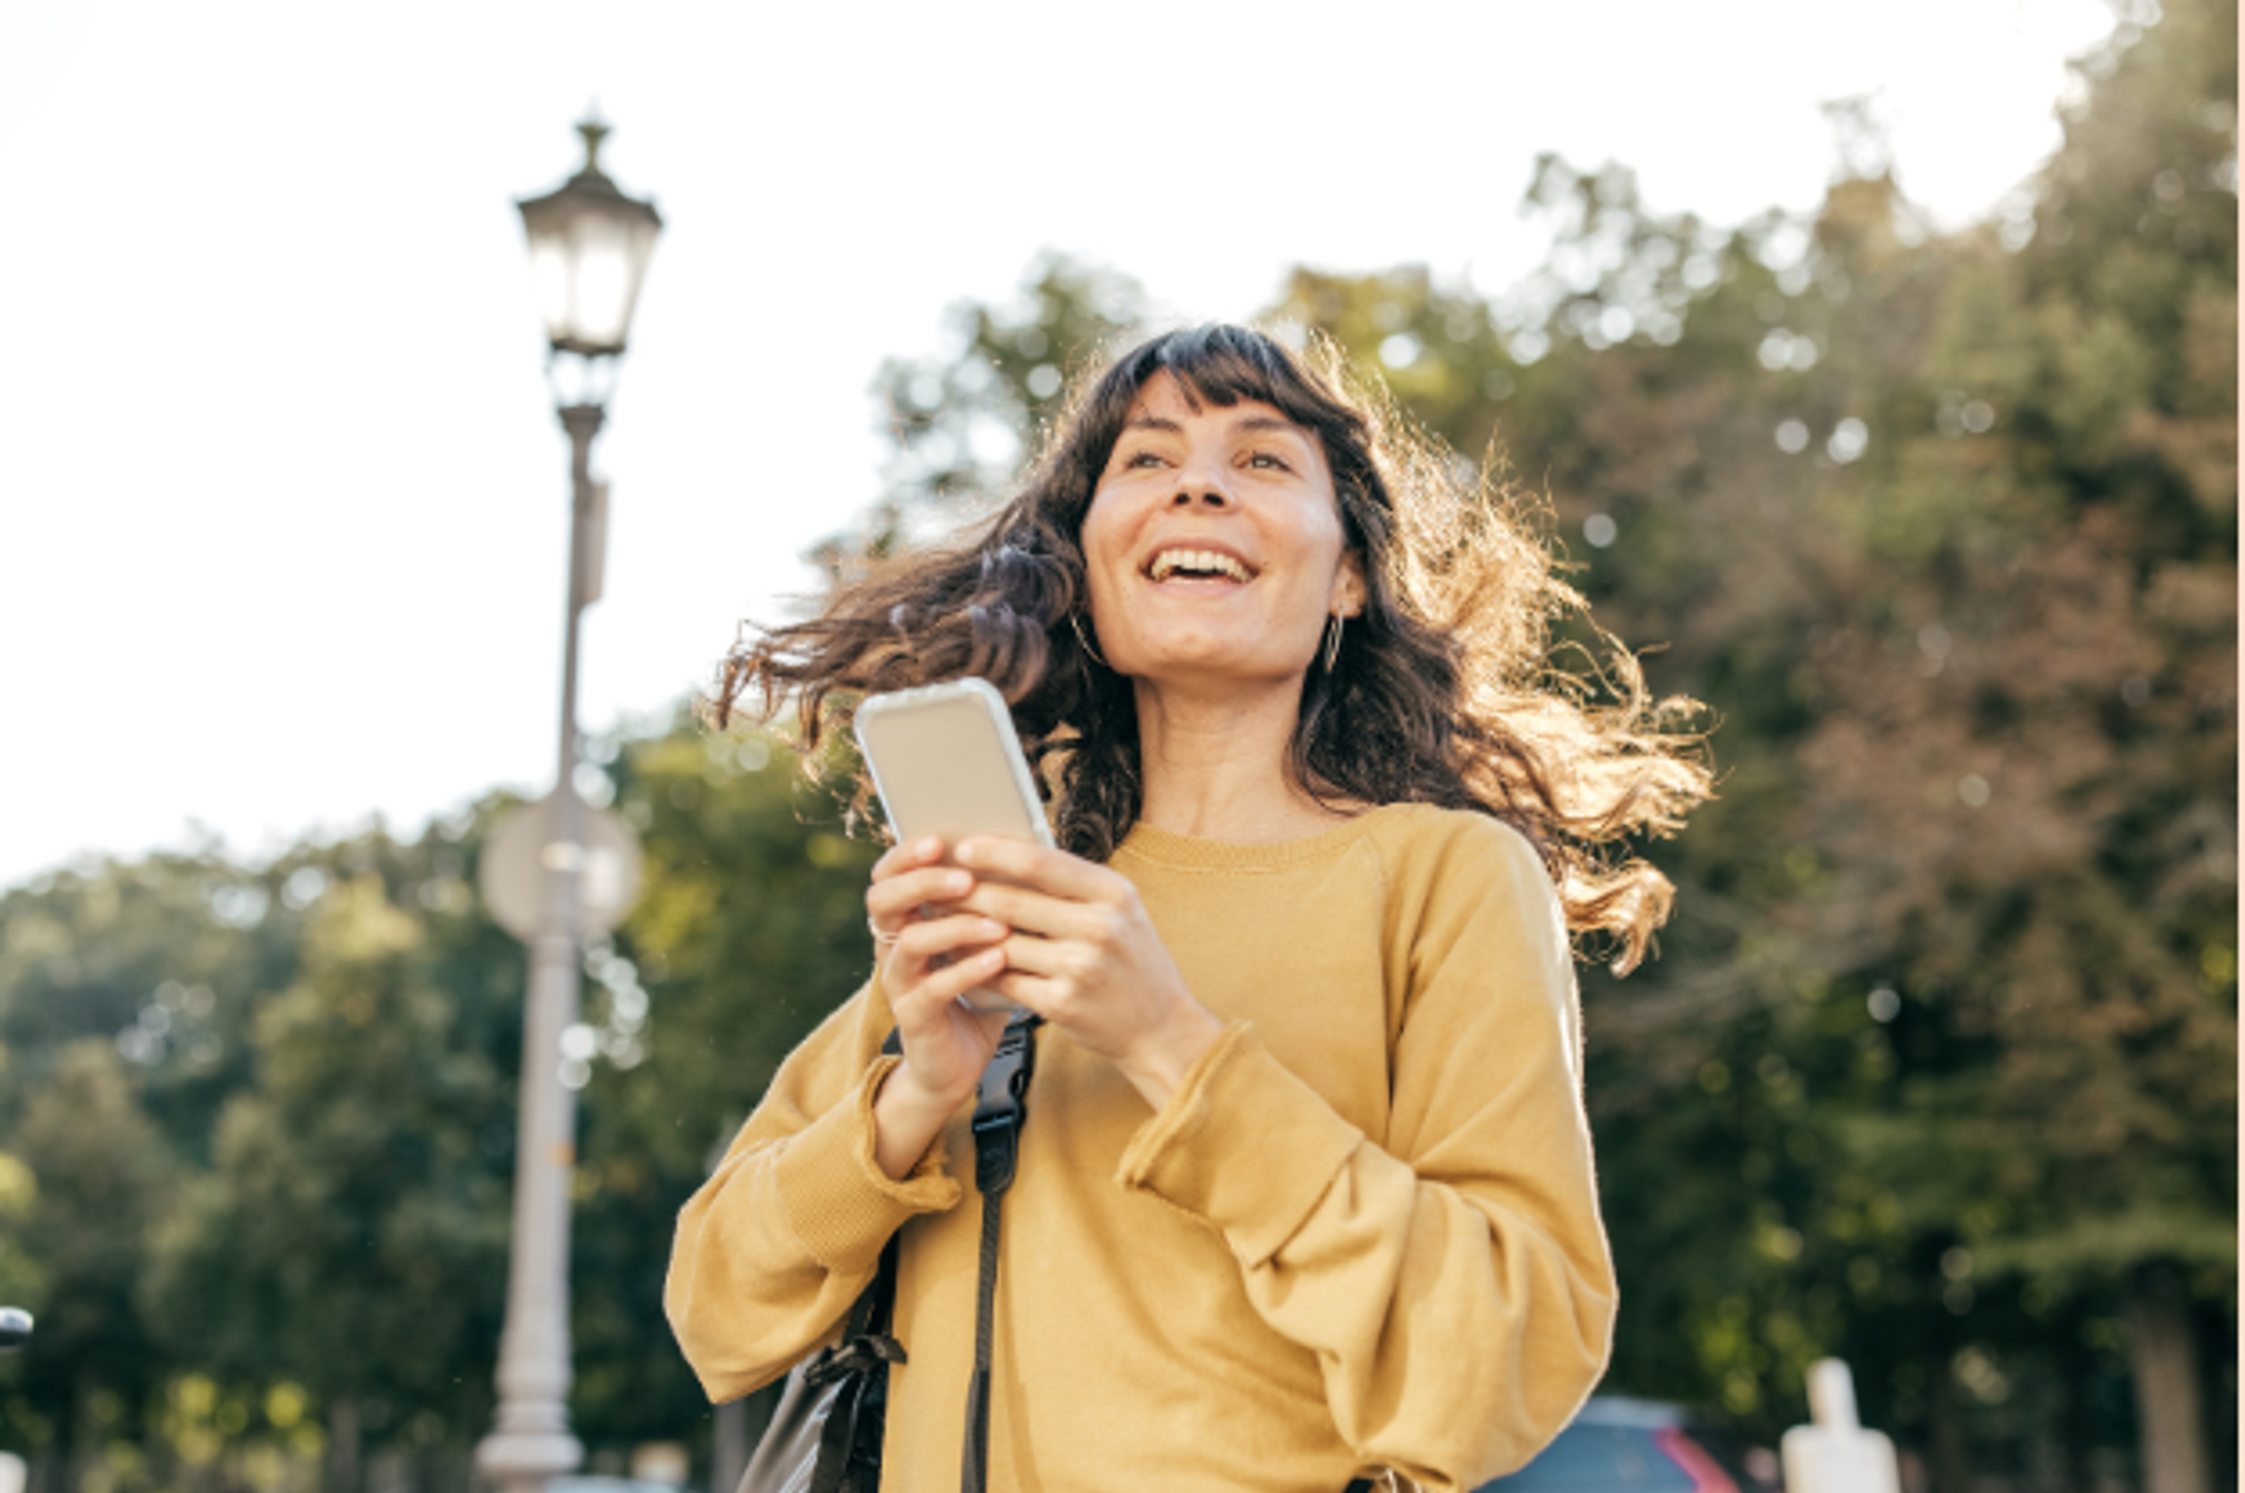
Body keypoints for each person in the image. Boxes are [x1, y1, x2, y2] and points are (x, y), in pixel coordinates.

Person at [665, 324, 1709, 1491]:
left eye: (1261, 460)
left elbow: (1504, 1358)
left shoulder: (1444, 879)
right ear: (1090, 560)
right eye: (1147, 460)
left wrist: (1170, 1042)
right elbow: (716, 1309)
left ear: (1348, 577)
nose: (1198, 482)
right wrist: (916, 1093)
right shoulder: (1013, 891)